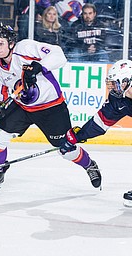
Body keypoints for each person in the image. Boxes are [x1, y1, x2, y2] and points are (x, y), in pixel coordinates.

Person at [0, 23, 101, 190]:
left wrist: (40, 66)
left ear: (11, 43)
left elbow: (59, 55)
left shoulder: (25, 48)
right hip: (23, 108)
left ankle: (90, 165)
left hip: (51, 107)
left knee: (65, 149)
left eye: (1, 43)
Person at [58, 59, 132, 206]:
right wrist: (77, 136)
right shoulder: (117, 100)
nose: (113, 89)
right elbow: (100, 123)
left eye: (116, 84)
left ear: (127, 81)